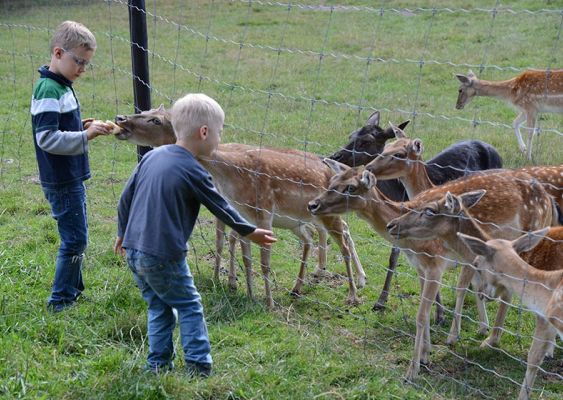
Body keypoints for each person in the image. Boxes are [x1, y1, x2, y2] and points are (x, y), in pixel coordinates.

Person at [113, 93, 276, 377]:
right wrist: (250, 231)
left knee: (158, 306)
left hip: (134, 250)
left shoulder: (151, 157)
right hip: (164, 255)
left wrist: (121, 233)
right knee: (189, 305)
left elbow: (125, 198)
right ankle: (199, 365)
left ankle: (158, 363)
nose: (220, 140)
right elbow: (220, 206)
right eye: (219, 133)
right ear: (204, 132)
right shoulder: (194, 170)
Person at [31, 21, 113, 313]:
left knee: (78, 236)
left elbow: (59, 126)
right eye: (78, 61)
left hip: (69, 176)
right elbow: (46, 137)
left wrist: (82, 125)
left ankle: (73, 291)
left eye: (86, 64)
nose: (82, 68)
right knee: (75, 239)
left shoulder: (60, 85)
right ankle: (61, 299)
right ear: (57, 52)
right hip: (62, 179)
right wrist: (84, 136)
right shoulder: (49, 89)